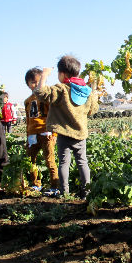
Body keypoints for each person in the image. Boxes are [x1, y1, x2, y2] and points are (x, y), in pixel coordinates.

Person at [33, 55, 98, 199]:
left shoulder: (61, 89)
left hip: (64, 134)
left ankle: (64, 193)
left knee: (64, 162)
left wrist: (44, 75)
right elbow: (93, 110)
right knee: (82, 162)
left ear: (62, 74)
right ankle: (86, 193)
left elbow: (40, 93)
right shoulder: (87, 91)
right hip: (81, 134)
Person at [24, 67, 59, 193]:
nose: (35, 84)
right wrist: (27, 135)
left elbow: (54, 115)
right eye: (32, 82)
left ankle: (55, 186)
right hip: (32, 135)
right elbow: (28, 120)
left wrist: (54, 133)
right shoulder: (28, 101)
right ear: (28, 84)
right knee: (30, 160)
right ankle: (35, 183)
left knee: (50, 160)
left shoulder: (47, 97)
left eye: (38, 81)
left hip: (47, 133)